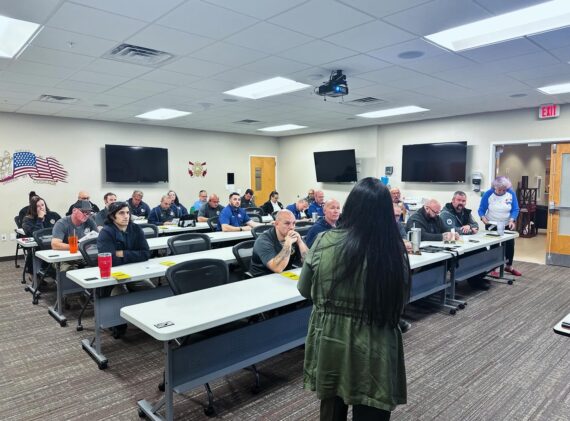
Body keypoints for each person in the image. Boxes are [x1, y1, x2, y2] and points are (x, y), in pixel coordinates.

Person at [298, 177, 409, 420]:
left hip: (331, 340)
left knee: (331, 409)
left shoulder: (323, 242)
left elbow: (304, 289)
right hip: (375, 344)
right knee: (371, 407)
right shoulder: (393, 250)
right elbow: (400, 304)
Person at [478, 176, 521, 276]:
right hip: (492, 224)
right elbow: (481, 209)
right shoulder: (488, 194)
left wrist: (512, 220)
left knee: (510, 245)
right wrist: (482, 217)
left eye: (504, 190)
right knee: (495, 246)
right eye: (499, 190)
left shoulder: (511, 193)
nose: (502, 192)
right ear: (494, 187)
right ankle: (493, 268)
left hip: (506, 223)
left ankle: (509, 266)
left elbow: (515, 209)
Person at [250, 209, 308, 277]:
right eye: (287, 223)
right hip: (262, 278)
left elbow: (309, 261)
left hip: (284, 276)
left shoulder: (294, 236)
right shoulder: (263, 241)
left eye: (294, 223)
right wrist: (288, 243)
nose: (292, 227)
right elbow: (277, 268)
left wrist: (300, 242)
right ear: (276, 224)